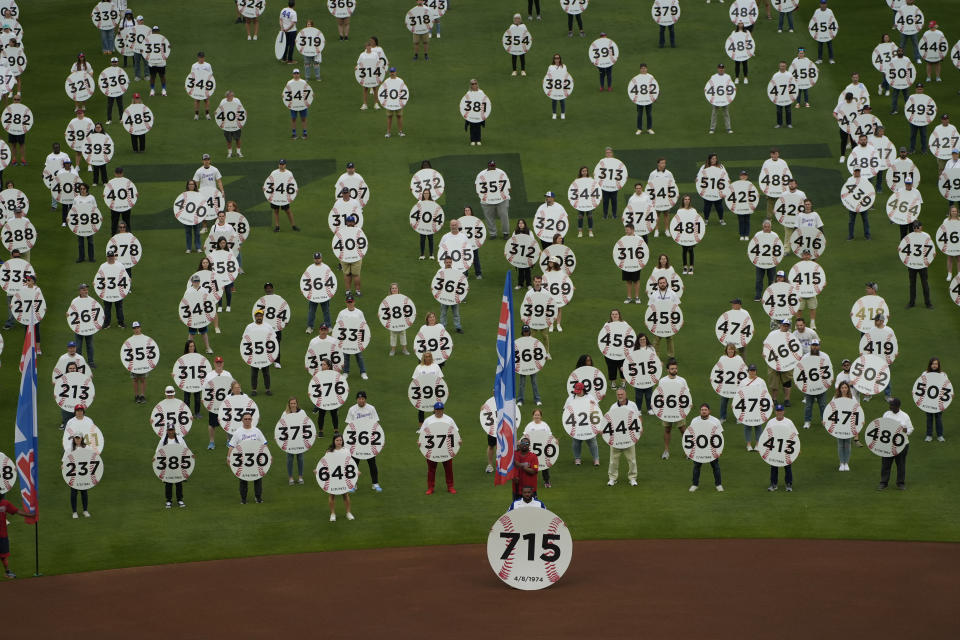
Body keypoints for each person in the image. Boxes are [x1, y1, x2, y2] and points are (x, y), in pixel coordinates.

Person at [345, 391, 382, 491]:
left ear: (365, 399)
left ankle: (375, 483)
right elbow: (349, 426)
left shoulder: (371, 409)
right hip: (356, 442)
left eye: (363, 399)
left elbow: (376, 425)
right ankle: (353, 484)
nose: (361, 400)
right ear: (356, 399)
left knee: (372, 463)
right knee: (354, 463)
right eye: (359, 399)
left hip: (369, 441)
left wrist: (379, 441)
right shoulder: (352, 409)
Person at [228, 413, 268, 504]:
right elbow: (231, 446)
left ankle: (258, 498)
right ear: (242, 420)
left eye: (249, 419)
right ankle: (243, 499)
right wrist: (228, 457)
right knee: (243, 479)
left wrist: (269, 457)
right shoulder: (238, 432)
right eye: (245, 419)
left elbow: (264, 444)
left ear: (251, 420)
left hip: (256, 460)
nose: (247, 420)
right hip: (242, 461)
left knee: (258, 478)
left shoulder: (257, 431)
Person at [421, 402, 458, 494]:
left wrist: (459, 440)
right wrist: (420, 442)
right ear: (434, 410)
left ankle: (450, 486)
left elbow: (455, 433)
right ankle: (430, 488)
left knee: (449, 469)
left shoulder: (449, 419)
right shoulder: (428, 420)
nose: (439, 411)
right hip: (432, 449)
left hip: (446, 448)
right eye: (437, 409)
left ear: (443, 410)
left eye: (441, 409)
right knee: (431, 469)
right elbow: (422, 434)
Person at [606, 387, 639, 487]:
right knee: (613, 460)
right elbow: (609, 422)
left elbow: (638, 418)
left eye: (622, 394)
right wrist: (604, 432)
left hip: (629, 437)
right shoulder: (613, 407)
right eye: (618, 394)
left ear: (626, 395)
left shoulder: (632, 405)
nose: (620, 396)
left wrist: (639, 431)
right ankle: (612, 478)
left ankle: (632, 478)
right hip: (616, 438)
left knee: (632, 460)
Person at [687, 403, 724, 492]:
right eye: (702, 410)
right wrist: (689, 450)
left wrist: (719, 449)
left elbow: (720, 436)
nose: (704, 411)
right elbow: (691, 435)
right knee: (696, 466)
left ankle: (718, 485)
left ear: (709, 411)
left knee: (716, 466)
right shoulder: (694, 420)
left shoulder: (715, 421)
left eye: (705, 410)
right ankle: (695, 484)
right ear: (700, 411)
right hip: (699, 448)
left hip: (712, 448)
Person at [878, 397, 913, 490]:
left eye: (892, 405)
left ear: (897, 406)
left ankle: (900, 483)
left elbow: (911, 428)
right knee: (886, 464)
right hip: (888, 444)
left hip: (902, 445)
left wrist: (906, 431)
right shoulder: (886, 414)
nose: (890, 406)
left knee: (901, 464)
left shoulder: (905, 416)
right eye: (890, 405)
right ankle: (883, 483)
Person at [0, 488, 33, 578]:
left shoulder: (5, 503)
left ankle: (7, 572)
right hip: (2, 535)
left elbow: (16, 511)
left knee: (4, 555)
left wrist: (30, 515)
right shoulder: (4, 503)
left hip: (2, 535)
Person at [568, 379, 600, 467]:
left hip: (589, 423)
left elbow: (597, 410)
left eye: (579, 391)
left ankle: (596, 459)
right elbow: (565, 411)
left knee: (592, 441)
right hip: (576, 424)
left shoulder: (590, 397)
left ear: (583, 390)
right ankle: (577, 458)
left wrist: (594, 404)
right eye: (576, 391)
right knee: (576, 441)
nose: (577, 393)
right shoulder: (571, 398)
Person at [800, 340, 831, 430]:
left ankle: (824, 421)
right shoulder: (805, 357)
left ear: (819, 346)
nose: (814, 347)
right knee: (808, 405)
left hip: (822, 385)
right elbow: (801, 370)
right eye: (813, 345)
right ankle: (807, 421)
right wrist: (800, 383)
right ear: (810, 346)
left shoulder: (825, 356)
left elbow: (829, 370)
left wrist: (828, 381)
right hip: (810, 385)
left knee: (822, 405)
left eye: (816, 345)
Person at [336, 295, 368, 380]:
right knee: (345, 356)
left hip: (356, 338)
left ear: (354, 302)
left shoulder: (359, 312)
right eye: (348, 302)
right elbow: (338, 326)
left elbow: (364, 325)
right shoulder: (342, 313)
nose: (350, 303)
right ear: (346, 303)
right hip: (345, 338)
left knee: (359, 356)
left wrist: (365, 337)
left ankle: (363, 372)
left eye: (351, 302)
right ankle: (345, 372)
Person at [324, 433, 355, 521]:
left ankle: (348, 513)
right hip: (333, 477)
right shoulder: (329, 451)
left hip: (343, 476)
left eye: (340, 440)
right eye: (337, 440)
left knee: (345, 495)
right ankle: (333, 514)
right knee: (332, 495)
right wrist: (318, 471)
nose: (339, 442)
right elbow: (325, 464)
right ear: (334, 441)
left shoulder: (346, 450)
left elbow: (350, 463)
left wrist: (355, 472)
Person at [477, 160, 511, 238]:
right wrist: (486, 197)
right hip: (487, 201)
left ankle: (506, 233)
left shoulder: (501, 173)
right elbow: (477, 188)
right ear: (488, 166)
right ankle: (493, 234)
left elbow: (508, 187)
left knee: (504, 216)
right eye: (490, 166)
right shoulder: (481, 175)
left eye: (493, 166)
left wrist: (502, 195)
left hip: (502, 200)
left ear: (495, 166)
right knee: (489, 217)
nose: (492, 167)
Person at [766, 404, 796, 491]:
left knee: (787, 466)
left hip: (786, 448)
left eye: (781, 411)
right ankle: (773, 484)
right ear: (775, 412)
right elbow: (765, 436)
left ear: (783, 412)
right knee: (774, 466)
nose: (779, 412)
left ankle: (789, 484)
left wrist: (797, 448)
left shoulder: (789, 422)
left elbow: (795, 435)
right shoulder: (771, 422)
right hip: (774, 448)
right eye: (778, 411)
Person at [738, 364, 769, 451]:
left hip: (758, 407)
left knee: (758, 425)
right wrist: (736, 405)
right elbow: (739, 394)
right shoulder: (743, 382)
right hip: (747, 407)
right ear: (748, 371)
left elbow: (766, 393)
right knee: (747, 425)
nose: (752, 372)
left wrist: (769, 404)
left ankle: (758, 444)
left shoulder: (761, 381)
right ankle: (748, 445)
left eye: (754, 370)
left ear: (756, 371)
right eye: (751, 370)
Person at [905, 220, 933, 309]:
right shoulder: (909, 237)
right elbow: (905, 249)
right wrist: (900, 250)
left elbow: (930, 248)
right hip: (912, 264)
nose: (916, 228)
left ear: (921, 227)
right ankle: (911, 302)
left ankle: (928, 303)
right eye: (914, 227)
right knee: (912, 284)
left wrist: (932, 255)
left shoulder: (926, 236)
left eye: (917, 227)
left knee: (925, 284)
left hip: (922, 264)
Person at [204, 356, 230, 450]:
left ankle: (228, 441)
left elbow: (232, 387)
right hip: (213, 403)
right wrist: (206, 401)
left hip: (225, 403)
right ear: (214, 364)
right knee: (212, 424)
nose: (219, 364)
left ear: (222, 363)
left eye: (220, 362)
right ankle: (211, 442)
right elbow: (205, 389)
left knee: (227, 422)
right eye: (217, 363)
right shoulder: (209, 375)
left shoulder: (227, 374)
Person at [522, 408, 553, 487]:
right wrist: (520, 441)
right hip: (532, 450)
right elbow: (525, 436)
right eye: (535, 415)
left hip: (542, 450)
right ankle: (529, 482)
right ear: (533, 416)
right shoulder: (529, 425)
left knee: (544, 466)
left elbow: (550, 436)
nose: (537, 416)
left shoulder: (544, 425)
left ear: (541, 416)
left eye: (538, 415)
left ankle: (547, 481)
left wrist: (555, 441)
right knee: (532, 466)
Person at [281, 397, 309, 486]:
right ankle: (290, 478)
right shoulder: (285, 414)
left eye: (294, 403)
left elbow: (307, 425)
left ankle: (300, 477)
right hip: (289, 440)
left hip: (299, 439)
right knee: (290, 459)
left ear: (297, 404)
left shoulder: (302, 412)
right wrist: (279, 437)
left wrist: (311, 435)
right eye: (291, 403)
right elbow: (281, 427)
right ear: (289, 404)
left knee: (300, 458)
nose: (293, 405)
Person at [159, 423, 187, 508]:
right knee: (168, 483)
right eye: (169, 430)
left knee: (179, 482)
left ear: (174, 430)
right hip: (168, 465)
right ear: (167, 431)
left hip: (178, 464)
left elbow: (186, 449)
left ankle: (180, 500)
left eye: (172, 430)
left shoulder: (180, 439)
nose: (171, 432)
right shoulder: (163, 440)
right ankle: (168, 500)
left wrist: (191, 456)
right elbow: (158, 451)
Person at [650, 276, 679, 358]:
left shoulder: (672, 293)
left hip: (669, 320)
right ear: (658, 284)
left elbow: (677, 307)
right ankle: (656, 357)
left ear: (666, 283)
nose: (662, 284)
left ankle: (671, 357)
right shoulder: (654, 294)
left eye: (664, 283)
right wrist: (648, 321)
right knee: (656, 340)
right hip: (658, 320)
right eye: (660, 283)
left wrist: (679, 321)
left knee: (669, 339)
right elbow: (650, 309)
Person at [69, 284, 97, 367]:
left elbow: (96, 312)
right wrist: (68, 314)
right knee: (78, 346)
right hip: (79, 327)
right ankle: (79, 363)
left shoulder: (91, 300)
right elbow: (71, 312)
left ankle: (91, 362)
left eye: (86, 290)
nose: (86, 291)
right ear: (80, 291)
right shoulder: (75, 301)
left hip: (89, 327)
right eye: (84, 290)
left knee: (90, 345)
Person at [304, 252, 333, 332]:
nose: (317, 260)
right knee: (311, 311)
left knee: (326, 311)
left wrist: (330, 292)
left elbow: (330, 280)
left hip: (324, 293)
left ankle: (328, 326)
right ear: (314, 259)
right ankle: (310, 327)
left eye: (318, 258)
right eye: (316, 258)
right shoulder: (310, 268)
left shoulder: (326, 267)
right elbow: (306, 281)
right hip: (313, 294)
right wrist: (305, 291)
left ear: (321, 258)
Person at [268, 159, 299, 232]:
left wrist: (295, 189)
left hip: (284, 195)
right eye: (280, 164)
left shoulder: (289, 173)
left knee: (288, 211)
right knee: (276, 211)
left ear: (285, 165)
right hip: (275, 195)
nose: (281, 166)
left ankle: (293, 225)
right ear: (278, 165)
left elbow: (292, 183)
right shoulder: (274, 172)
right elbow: (269, 182)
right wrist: (265, 188)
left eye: (282, 164)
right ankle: (277, 226)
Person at [717, 343, 745, 422]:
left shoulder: (739, 358)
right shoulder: (722, 358)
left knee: (737, 401)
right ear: (726, 350)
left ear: (734, 350)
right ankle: (722, 417)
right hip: (726, 384)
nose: (730, 351)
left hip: (736, 384)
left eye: (732, 349)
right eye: (729, 349)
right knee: (723, 401)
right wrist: (715, 379)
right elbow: (718, 370)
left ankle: (738, 417)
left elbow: (742, 370)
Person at [698, 153, 729, 225]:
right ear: (709, 159)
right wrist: (697, 180)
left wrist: (728, 181)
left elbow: (725, 176)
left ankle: (721, 219)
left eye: (715, 158)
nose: (714, 160)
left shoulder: (721, 166)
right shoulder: (704, 167)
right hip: (708, 189)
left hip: (717, 189)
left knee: (719, 205)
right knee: (707, 205)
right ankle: (706, 220)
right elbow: (699, 176)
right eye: (713, 158)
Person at [67, 432, 93, 518]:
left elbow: (92, 459)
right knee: (73, 493)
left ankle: (85, 510)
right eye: (76, 438)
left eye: (79, 438)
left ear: (82, 439)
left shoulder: (87, 448)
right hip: (73, 474)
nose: (77, 440)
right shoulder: (69, 449)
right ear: (74, 439)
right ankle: (74, 512)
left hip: (83, 475)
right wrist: (63, 465)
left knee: (84, 492)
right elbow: (64, 460)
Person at [833, 380, 856, 471]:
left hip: (848, 424)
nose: (844, 389)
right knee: (840, 444)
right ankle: (841, 463)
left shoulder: (852, 398)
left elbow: (857, 411)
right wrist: (826, 421)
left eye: (846, 387)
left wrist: (858, 423)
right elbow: (829, 411)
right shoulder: (835, 398)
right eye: (842, 387)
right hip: (838, 424)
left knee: (847, 444)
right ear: (839, 389)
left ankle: (846, 463)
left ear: (848, 389)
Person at [437, 258, 463, 334]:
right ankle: (442, 328)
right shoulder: (440, 271)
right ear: (444, 263)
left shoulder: (456, 271)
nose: (448, 263)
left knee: (456, 313)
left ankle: (458, 327)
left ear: (452, 263)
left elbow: (460, 282)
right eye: (447, 262)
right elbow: (437, 283)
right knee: (443, 313)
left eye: (450, 262)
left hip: (453, 296)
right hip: (444, 296)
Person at [923, 357, 946, 442]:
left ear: (938, 365)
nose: (934, 365)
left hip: (938, 400)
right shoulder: (925, 374)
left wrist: (950, 395)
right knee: (929, 418)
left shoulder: (943, 374)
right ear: (930, 365)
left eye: (936, 364)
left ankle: (940, 435)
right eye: (933, 364)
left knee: (938, 417)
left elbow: (946, 387)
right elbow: (920, 386)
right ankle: (929, 435)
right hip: (928, 400)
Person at [708, 63, 734, 134]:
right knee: (714, 113)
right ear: (718, 69)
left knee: (726, 113)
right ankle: (712, 128)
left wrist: (732, 92)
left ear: (724, 69)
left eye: (722, 68)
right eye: (720, 68)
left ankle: (728, 128)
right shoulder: (713, 77)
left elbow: (730, 86)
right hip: (716, 98)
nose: (721, 69)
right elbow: (710, 86)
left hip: (725, 98)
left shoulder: (728, 76)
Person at [620, 224, 643, 303]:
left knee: (636, 280)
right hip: (626, 263)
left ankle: (637, 297)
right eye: (625, 229)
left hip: (636, 263)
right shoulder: (623, 239)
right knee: (628, 280)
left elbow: (644, 251)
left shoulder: (639, 239)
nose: (626, 231)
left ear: (632, 230)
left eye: (627, 229)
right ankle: (629, 297)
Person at [218, 91, 244, 158]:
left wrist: (243, 117)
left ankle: (238, 152)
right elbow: (220, 110)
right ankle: (230, 153)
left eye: (232, 95)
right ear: (227, 96)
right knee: (228, 139)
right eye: (230, 96)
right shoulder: (223, 101)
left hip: (235, 122)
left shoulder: (236, 100)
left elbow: (241, 109)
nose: (231, 97)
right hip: (227, 123)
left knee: (237, 138)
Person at [285, 69, 309, 139]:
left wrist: (309, 98)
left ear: (299, 74)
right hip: (293, 104)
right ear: (293, 74)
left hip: (302, 103)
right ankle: (294, 133)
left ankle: (305, 133)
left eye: (297, 73)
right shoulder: (289, 82)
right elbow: (286, 92)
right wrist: (286, 99)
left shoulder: (303, 82)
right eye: (295, 73)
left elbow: (308, 91)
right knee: (293, 119)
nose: (296, 75)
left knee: (303, 118)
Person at [383, 67, 406, 137]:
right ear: (389, 73)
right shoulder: (386, 81)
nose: (392, 73)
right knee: (389, 117)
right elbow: (384, 92)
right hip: (390, 102)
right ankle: (388, 132)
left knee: (399, 116)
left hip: (398, 102)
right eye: (391, 72)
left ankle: (400, 132)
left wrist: (403, 101)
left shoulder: (400, 81)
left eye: (393, 72)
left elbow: (404, 91)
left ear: (396, 72)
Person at [462, 205, 483, 279]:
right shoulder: (461, 220)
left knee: (476, 258)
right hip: (465, 244)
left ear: (471, 211)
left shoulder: (475, 220)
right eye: (465, 210)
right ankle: (465, 274)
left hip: (474, 243)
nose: (467, 211)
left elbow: (479, 230)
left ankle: (478, 274)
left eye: (468, 210)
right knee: (465, 258)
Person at [511, 219, 533, 289]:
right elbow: (512, 243)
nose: (520, 224)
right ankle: (520, 284)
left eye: (522, 223)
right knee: (520, 269)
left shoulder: (529, 232)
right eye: (519, 223)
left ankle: (528, 284)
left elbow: (532, 241)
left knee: (527, 269)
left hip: (527, 253)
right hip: (519, 253)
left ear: (524, 224)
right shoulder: (515, 232)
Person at [146, 26, 168, 97]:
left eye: (157, 31)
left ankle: (164, 89)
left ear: (158, 31)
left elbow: (166, 48)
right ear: (152, 31)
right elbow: (145, 49)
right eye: (154, 31)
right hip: (152, 62)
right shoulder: (149, 39)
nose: (155, 32)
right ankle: (152, 89)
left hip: (161, 62)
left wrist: (167, 51)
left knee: (162, 76)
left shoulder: (162, 39)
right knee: (152, 76)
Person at [464, 79, 487, 145]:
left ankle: (478, 139)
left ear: (477, 84)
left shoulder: (481, 92)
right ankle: (473, 140)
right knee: (472, 126)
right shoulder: (468, 93)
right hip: (471, 112)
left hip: (478, 112)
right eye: (472, 84)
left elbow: (484, 101)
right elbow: (466, 102)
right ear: (470, 85)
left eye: (475, 83)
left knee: (478, 125)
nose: (474, 85)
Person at [190, 51, 212, 120]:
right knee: (197, 100)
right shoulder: (194, 66)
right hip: (197, 86)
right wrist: (189, 86)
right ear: (198, 58)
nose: (201, 59)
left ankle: (207, 114)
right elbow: (192, 76)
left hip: (205, 85)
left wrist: (209, 85)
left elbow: (210, 75)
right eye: (200, 57)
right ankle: (196, 115)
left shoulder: (208, 65)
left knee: (206, 100)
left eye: (202, 57)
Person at [573, 166, 594, 236]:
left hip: (588, 201)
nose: (585, 172)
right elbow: (573, 189)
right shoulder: (577, 180)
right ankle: (580, 232)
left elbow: (594, 188)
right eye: (583, 171)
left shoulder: (590, 179)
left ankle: (590, 231)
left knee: (590, 216)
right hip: (581, 201)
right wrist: (572, 198)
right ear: (580, 172)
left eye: (586, 171)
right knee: (580, 216)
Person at [772, 60, 793, 128]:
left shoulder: (789, 74)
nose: (782, 67)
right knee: (779, 111)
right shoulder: (776, 75)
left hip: (787, 95)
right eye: (781, 66)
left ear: (786, 66)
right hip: (779, 96)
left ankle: (789, 123)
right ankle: (779, 124)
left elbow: (793, 84)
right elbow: (772, 85)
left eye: (783, 66)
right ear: (779, 66)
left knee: (788, 110)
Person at [547, 53, 568, 120]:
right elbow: (548, 75)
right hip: (553, 86)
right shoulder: (550, 67)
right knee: (554, 100)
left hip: (561, 86)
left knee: (562, 100)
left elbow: (566, 75)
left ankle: (562, 113)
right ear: (554, 59)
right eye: (555, 58)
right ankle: (554, 114)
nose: (557, 59)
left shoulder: (564, 66)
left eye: (558, 58)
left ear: (560, 59)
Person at [416, 189, 436, 259]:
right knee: (422, 239)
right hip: (422, 223)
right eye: (425, 193)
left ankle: (431, 254)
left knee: (431, 239)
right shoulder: (420, 202)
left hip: (430, 224)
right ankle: (422, 255)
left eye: (427, 193)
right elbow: (417, 212)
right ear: (423, 194)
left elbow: (435, 212)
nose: (426, 194)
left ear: (429, 194)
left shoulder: (433, 202)